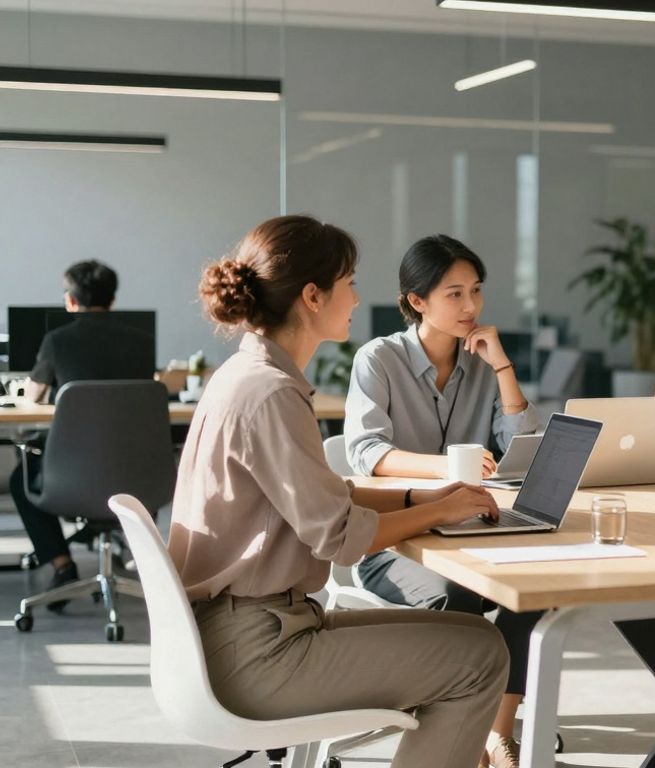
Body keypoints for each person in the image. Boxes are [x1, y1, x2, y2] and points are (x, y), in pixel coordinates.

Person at [170, 215, 508, 768]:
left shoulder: (247, 375)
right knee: (480, 657)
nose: (356, 297)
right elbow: (339, 536)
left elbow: (327, 492)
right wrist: (444, 508)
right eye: (348, 282)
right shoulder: (271, 394)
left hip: (253, 627)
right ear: (311, 296)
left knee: (472, 636)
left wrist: (420, 500)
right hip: (258, 651)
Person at [344, 234, 540, 767]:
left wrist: (502, 367)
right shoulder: (378, 358)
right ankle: (453, 732)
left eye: (475, 291)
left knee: (533, 590)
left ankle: (495, 735)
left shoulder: (480, 363)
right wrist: (449, 472)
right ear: (416, 301)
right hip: (395, 544)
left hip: (470, 532)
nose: (471, 306)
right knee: (460, 596)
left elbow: (522, 450)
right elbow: (365, 451)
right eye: (453, 294)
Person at [10, 260, 156, 608]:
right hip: (139, 476)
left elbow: (33, 397)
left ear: (71, 301)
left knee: (22, 478)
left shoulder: (57, 340)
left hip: (70, 475)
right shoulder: (142, 342)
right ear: (112, 300)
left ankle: (62, 565)